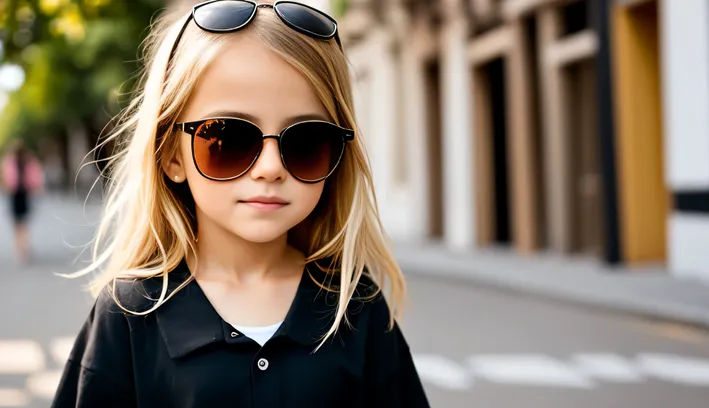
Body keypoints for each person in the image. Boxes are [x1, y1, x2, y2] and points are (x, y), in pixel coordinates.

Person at [51, 1, 430, 407]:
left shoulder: (355, 306)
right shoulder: (129, 313)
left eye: (305, 141)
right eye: (228, 138)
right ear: (172, 156)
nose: (270, 168)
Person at [1, 140, 44, 263]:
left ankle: (20, 249)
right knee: (23, 223)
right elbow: (35, 176)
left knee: (17, 223)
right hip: (23, 193)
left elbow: (6, 177)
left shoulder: (10, 161)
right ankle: (23, 248)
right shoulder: (27, 160)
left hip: (15, 194)